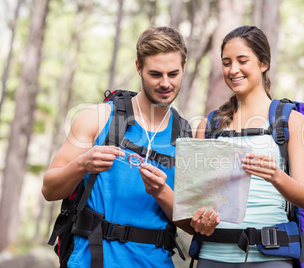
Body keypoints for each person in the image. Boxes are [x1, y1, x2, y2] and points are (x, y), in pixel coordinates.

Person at [42, 26, 214, 268]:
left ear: (184, 68)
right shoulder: (98, 118)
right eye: (155, 74)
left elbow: (191, 225)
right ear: (138, 68)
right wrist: (82, 164)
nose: (166, 83)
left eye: (173, 74)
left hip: (156, 262)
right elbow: (49, 189)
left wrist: (160, 191)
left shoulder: (188, 136)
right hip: (92, 260)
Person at [191, 25, 304, 267]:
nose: (233, 70)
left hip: (270, 257)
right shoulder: (208, 126)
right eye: (226, 62)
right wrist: (197, 220)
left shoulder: (291, 121)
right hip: (212, 255)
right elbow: (197, 201)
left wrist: (276, 176)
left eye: (242, 60)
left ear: (263, 63)